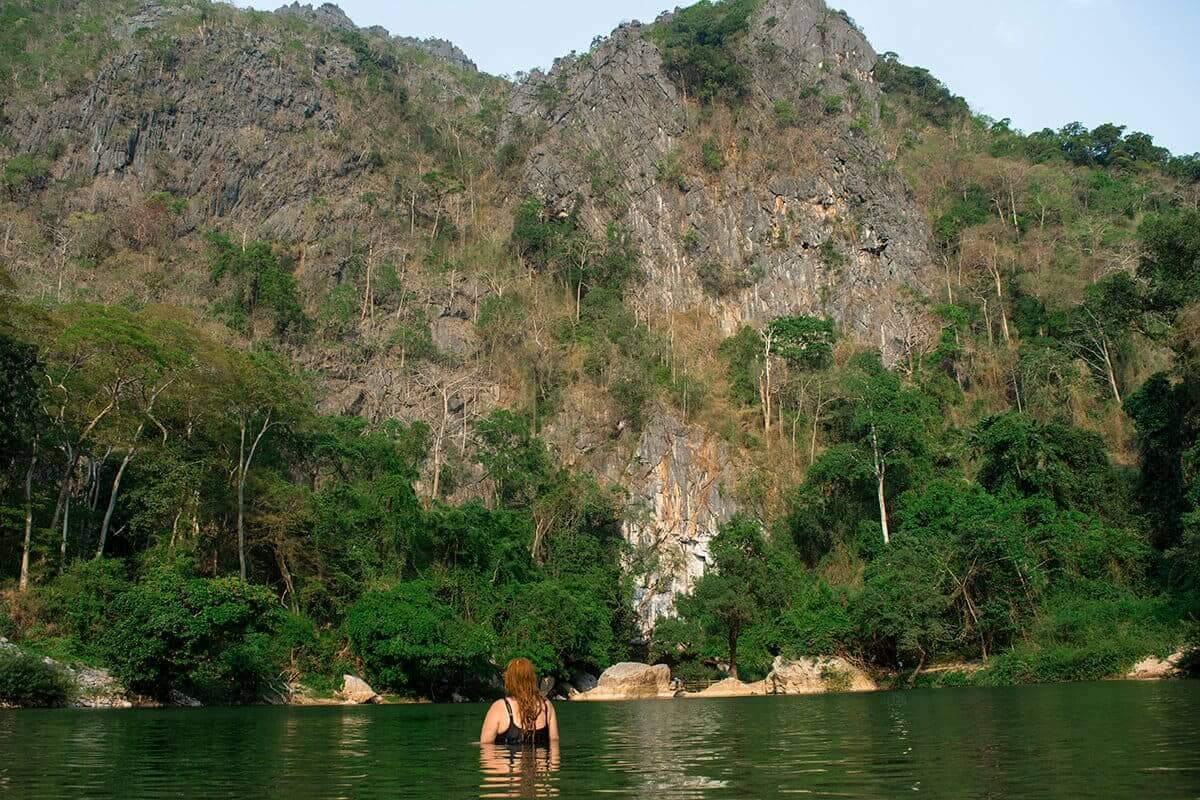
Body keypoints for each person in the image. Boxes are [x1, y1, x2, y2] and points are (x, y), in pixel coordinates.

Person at [479, 658, 559, 746]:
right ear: (532, 678)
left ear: (509, 680)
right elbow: (554, 743)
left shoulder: (500, 707)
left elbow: (485, 745)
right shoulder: (547, 706)